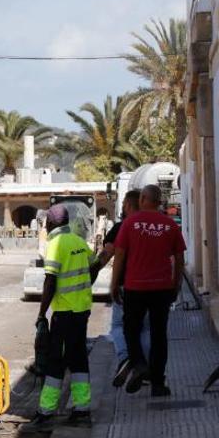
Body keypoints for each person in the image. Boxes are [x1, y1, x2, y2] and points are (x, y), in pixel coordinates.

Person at [23, 204, 97, 432]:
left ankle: (46, 412)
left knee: (55, 361)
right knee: (78, 359)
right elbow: (93, 265)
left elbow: (50, 281)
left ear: (51, 223)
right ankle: (81, 409)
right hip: (82, 310)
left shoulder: (54, 245)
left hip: (64, 312)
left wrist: (41, 312)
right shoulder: (78, 241)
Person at [111, 184, 186, 397]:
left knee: (130, 329)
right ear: (159, 200)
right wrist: (177, 284)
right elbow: (179, 259)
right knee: (159, 335)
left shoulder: (130, 223)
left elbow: (120, 255)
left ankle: (138, 363)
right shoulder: (170, 225)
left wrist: (114, 284)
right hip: (162, 287)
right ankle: (158, 384)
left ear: (143, 198)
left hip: (135, 287)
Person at [91, 190, 150, 387]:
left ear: (127, 205)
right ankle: (142, 366)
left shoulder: (120, 227)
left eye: (124, 204)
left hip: (127, 285)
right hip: (153, 286)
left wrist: (93, 272)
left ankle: (126, 359)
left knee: (118, 326)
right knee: (145, 328)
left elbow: (106, 255)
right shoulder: (152, 227)